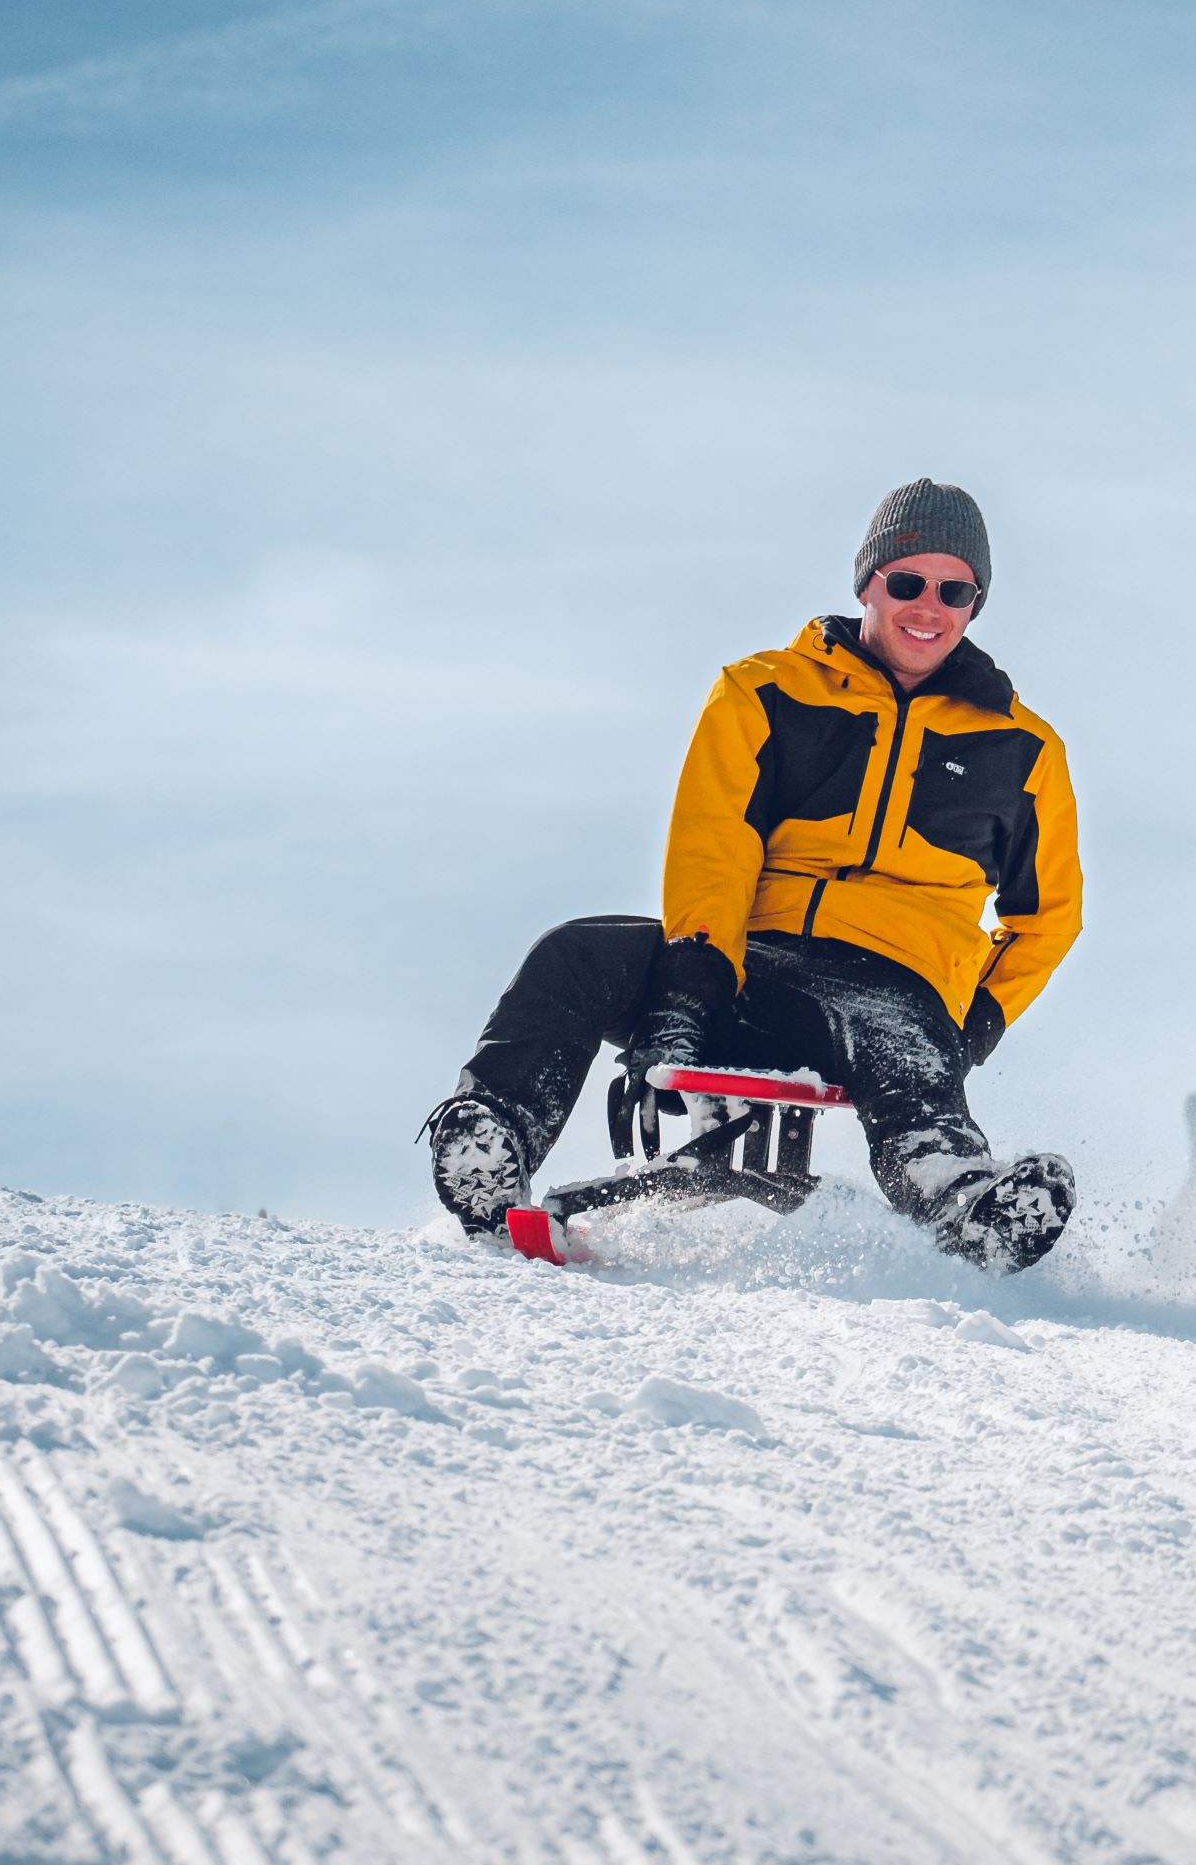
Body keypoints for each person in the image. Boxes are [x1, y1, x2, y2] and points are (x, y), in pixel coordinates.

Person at [417, 478, 1084, 1272]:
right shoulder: (765, 692)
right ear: (868, 582)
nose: (927, 606)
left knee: (908, 1064)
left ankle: (967, 1204)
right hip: (746, 965)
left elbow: (1049, 917)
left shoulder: (1022, 749)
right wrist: (684, 994)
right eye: (907, 582)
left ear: (976, 603)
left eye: (955, 590)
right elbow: (715, 846)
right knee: (577, 952)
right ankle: (495, 1142)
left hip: (895, 986)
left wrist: (968, 1023)